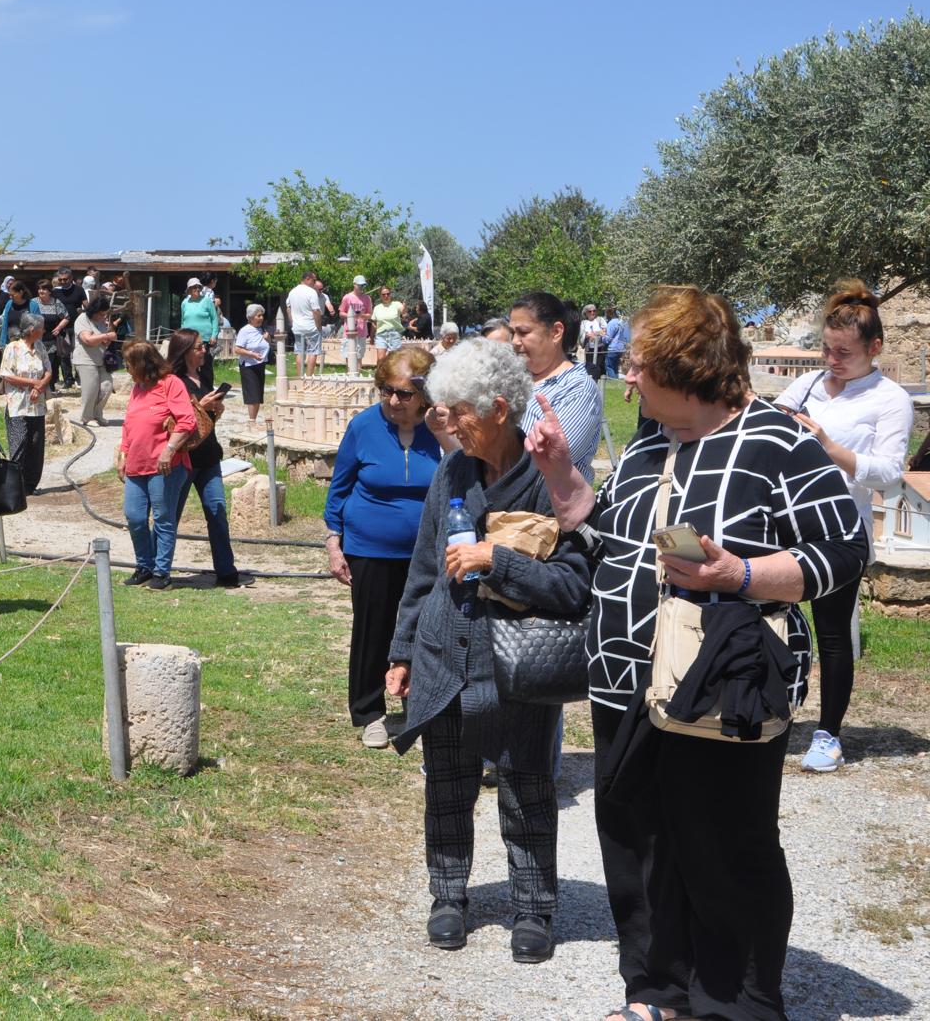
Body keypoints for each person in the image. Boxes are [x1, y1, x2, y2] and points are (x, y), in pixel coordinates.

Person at [526, 285, 868, 1021]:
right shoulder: (650, 442)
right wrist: (559, 475)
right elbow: (603, 533)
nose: (625, 376)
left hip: (723, 683)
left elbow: (843, 550)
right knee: (637, 842)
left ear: (685, 368)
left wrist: (738, 575)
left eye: (639, 364)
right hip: (624, 679)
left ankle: (737, 1002)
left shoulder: (778, 442)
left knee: (726, 846)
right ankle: (657, 992)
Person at [385, 338, 592, 964]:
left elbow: (574, 585)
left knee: (527, 788)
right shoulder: (452, 471)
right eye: (443, 410)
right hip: (445, 654)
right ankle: (448, 896)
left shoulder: (550, 478)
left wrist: (497, 561)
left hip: (516, 667)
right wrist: (402, 652)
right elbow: (424, 569)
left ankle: (534, 908)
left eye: (459, 411)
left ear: (499, 409)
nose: (448, 422)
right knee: (447, 785)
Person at [773, 279, 912, 774]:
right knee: (768, 617)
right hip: (786, 522)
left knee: (833, 635)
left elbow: (889, 472)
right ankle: (766, 711)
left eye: (844, 353)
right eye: (827, 350)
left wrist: (829, 447)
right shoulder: (809, 384)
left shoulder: (891, 399)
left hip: (840, 529)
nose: (832, 361)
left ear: (875, 348)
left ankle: (828, 733)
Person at [326, 347, 443, 749]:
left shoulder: (440, 429)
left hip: (426, 552)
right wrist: (334, 543)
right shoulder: (363, 426)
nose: (394, 400)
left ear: (424, 393)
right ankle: (370, 711)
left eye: (404, 393)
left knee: (425, 631)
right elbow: (340, 487)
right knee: (372, 631)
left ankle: (419, 705)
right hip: (370, 548)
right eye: (387, 390)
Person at [117, 340, 196, 591]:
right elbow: (129, 424)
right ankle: (144, 566)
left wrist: (168, 450)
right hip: (136, 464)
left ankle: (161, 572)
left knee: (163, 518)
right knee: (134, 516)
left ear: (143, 364)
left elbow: (187, 421)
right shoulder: (137, 388)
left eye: (129, 364)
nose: (127, 369)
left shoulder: (171, 384)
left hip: (165, 466)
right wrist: (123, 453)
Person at [167, 329, 242, 588]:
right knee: (170, 516)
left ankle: (226, 570)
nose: (203, 351)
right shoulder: (173, 381)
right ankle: (157, 568)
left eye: (203, 347)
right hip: (183, 458)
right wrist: (200, 406)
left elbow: (204, 421)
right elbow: (175, 420)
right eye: (199, 347)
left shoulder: (204, 375)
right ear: (185, 350)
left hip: (209, 455)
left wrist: (214, 410)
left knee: (217, 511)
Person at [509, 291, 601, 480]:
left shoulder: (578, 389)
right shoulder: (512, 379)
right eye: (512, 333)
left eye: (523, 332)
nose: (514, 342)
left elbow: (546, 465)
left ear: (556, 332)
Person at [0, 311, 53, 495]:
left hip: (37, 405)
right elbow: (6, 374)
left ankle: (30, 485)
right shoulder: (12, 348)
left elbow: (48, 370)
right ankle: (14, 486)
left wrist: (40, 386)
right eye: (41, 328)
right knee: (19, 443)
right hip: (18, 405)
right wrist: (33, 383)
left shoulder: (40, 346)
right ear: (32, 330)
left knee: (36, 445)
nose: (44, 331)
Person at [73, 288, 117, 426]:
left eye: (105, 313)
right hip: (85, 359)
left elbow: (103, 341)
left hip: (100, 359)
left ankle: (97, 414)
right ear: (96, 311)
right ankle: (87, 417)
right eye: (102, 313)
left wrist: (107, 338)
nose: (104, 316)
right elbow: (87, 340)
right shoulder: (82, 319)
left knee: (107, 385)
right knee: (90, 390)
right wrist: (106, 336)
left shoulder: (102, 322)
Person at [179, 277, 221, 392]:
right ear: (189, 289)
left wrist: (214, 335)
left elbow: (214, 319)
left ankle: (208, 391)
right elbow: (182, 321)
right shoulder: (184, 303)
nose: (197, 289)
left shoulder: (206, 301)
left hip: (205, 339)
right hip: (189, 341)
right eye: (194, 287)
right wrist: (182, 337)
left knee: (205, 366)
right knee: (189, 365)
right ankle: (192, 390)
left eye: (199, 287)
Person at [234, 303, 271, 423]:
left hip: (260, 364)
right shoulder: (245, 331)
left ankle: (253, 419)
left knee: (258, 394)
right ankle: (252, 421)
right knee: (252, 394)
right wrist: (252, 354)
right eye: (258, 316)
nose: (261, 318)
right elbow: (237, 349)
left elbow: (267, 344)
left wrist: (268, 338)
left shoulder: (261, 329)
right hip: (248, 365)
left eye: (262, 315)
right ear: (250, 317)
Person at [36, 280, 72, 391]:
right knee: (37, 364)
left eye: (44, 289)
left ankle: (49, 388)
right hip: (36, 339)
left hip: (51, 340)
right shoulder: (33, 302)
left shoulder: (56, 303)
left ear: (49, 291)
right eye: (39, 289)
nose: (41, 291)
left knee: (50, 365)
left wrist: (59, 328)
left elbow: (66, 317)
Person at [287, 270, 324, 377]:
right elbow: (316, 311)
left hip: (297, 327)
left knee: (299, 352)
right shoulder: (311, 292)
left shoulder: (292, 291)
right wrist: (319, 327)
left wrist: (293, 323)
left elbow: (288, 309)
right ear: (307, 279)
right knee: (313, 352)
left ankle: (300, 377)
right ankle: (308, 378)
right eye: (314, 280)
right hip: (311, 327)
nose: (315, 283)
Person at [340, 274, 372, 374]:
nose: (361, 287)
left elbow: (370, 314)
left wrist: (362, 316)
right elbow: (341, 313)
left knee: (359, 356)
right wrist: (351, 315)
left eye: (363, 285)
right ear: (354, 284)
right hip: (349, 332)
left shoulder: (367, 298)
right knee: (348, 355)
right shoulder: (347, 297)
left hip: (361, 332)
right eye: (359, 285)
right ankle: (349, 375)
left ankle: (357, 376)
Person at [1, 280, 38, 351]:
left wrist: (34, 346)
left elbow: (38, 327)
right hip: (11, 346)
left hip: (28, 346)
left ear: (21, 292)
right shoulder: (9, 304)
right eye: (10, 295)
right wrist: (2, 343)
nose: (10, 297)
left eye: (13, 295)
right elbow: (5, 325)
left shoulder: (33, 305)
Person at [371, 288, 404, 361]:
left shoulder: (396, 304)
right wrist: (372, 337)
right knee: (380, 359)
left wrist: (404, 309)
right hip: (381, 335)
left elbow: (403, 311)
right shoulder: (377, 308)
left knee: (394, 359)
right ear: (380, 296)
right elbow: (374, 323)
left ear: (390, 294)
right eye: (383, 294)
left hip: (394, 334)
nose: (386, 296)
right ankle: (380, 369)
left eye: (388, 294)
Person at [603, 309, 629, 378]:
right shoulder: (622, 322)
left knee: (609, 366)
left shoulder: (612, 323)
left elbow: (608, 338)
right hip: (621, 348)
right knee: (615, 367)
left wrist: (602, 336)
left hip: (613, 348)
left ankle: (613, 379)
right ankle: (616, 379)